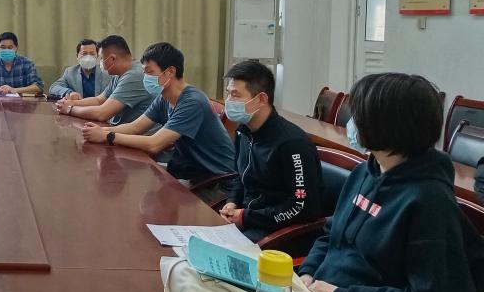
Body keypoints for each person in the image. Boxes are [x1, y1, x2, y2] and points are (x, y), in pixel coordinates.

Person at [299, 73, 484, 292]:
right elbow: (331, 236)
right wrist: (307, 273)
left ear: (387, 127)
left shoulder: (429, 201)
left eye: (358, 116)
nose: (351, 123)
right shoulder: (364, 172)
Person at [80, 42, 235, 181]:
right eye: (144, 72)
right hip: (190, 171)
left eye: (149, 72)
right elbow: (135, 127)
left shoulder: (192, 102)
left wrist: (107, 136)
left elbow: (154, 144)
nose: (145, 78)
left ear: (170, 72)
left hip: (217, 180)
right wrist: (100, 131)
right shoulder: (164, 97)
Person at [219, 60, 323, 242]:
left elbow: (302, 207)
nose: (228, 101)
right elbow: (241, 177)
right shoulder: (244, 132)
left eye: (235, 95)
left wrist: (246, 217)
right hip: (248, 219)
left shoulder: (292, 144)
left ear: (261, 99)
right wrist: (232, 201)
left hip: (281, 232)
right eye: (228, 93)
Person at [54, 35, 153, 124]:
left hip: (141, 135)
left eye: (101, 58)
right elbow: (99, 100)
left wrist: (70, 109)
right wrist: (71, 103)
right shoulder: (120, 74)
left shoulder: (133, 76)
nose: (100, 62)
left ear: (112, 58)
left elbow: (102, 113)